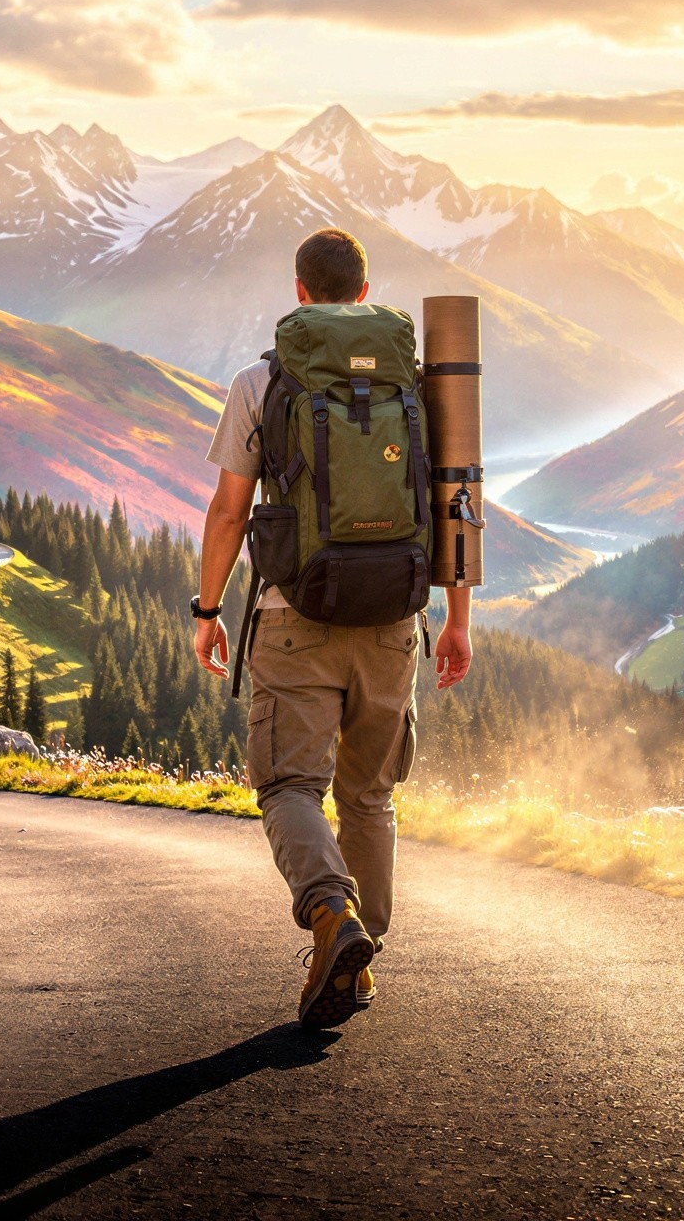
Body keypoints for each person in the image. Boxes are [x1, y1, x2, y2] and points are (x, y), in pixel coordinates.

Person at [191, 227, 473, 1030]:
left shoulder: (263, 380)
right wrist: (456, 619)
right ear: (363, 289)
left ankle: (331, 918)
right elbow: (452, 503)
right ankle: (357, 958)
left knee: (288, 785)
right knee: (371, 795)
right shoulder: (416, 384)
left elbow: (227, 511)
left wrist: (208, 612)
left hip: (294, 615)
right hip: (395, 619)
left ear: (300, 289)